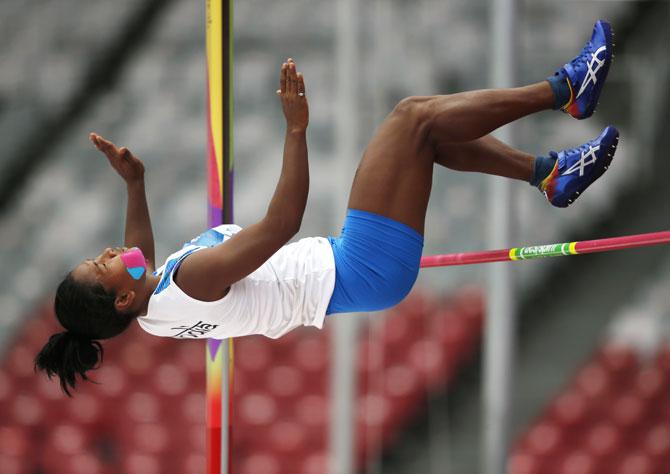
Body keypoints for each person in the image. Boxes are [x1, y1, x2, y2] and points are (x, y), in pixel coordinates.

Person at [36, 20, 618, 396]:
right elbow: (283, 224)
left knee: (428, 138)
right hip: (357, 265)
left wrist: (135, 184)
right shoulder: (190, 278)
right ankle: (564, 90)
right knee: (412, 116)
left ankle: (551, 175)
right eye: (101, 263)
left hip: (358, 275)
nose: (111, 251)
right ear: (118, 295)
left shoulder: (154, 308)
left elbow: (142, 260)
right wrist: (296, 131)